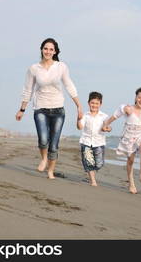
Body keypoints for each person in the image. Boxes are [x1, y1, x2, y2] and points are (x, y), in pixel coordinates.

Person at [15, 38, 83, 179]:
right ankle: (44, 159)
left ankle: (51, 170)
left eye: (51, 49)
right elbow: (28, 89)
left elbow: (69, 85)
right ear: (41, 49)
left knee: (54, 144)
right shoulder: (34, 69)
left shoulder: (61, 67)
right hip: (40, 108)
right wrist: (22, 109)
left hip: (58, 110)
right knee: (43, 139)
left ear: (55, 51)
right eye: (46, 48)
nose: (48, 51)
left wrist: (79, 105)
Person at [102, 86, 141, 194]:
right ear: (135, 97)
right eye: (139, 97)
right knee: (131, 161)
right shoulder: (127, 108)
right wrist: (105, 125)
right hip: (129, 137)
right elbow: (113, 117)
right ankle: (131, 183)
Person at [77, 91, 110, 186]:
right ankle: (93, 181)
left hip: (99, 142)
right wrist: (78, 119)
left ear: (100, 104)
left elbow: (108, 127)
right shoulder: (85, 115)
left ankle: (92, 174)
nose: (94, 105)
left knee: (99, 164)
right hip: (86, 142)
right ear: (88, 103)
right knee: (89, 162)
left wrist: (107, 128)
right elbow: (80, 127)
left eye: (97, 103)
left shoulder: (104, 116)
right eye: (92, 103)